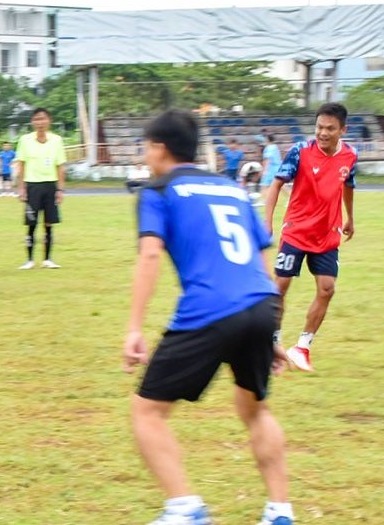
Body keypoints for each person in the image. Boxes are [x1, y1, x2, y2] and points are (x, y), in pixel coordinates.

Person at [125, 109, 293, 525]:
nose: (146, 156)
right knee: (255, 409)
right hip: (260, 304)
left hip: (210, 308)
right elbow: (261, 257)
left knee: (147, 412)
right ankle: (279, 511)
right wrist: (270, 330)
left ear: (160, 148)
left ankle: (185, 509)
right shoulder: (232, 189)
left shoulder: (158, 190)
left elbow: (149, 253)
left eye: (146, 147)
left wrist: (133, 327)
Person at [263, 102, 357, 372]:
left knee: (327, 289)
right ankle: (273, 343)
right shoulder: (301, 151)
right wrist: (267, 222)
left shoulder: (350, 155)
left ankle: (302, 347)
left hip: (327, 234)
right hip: (297, 230)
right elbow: (277, 183)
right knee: (280, 286)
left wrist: (349, 217)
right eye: (319, 127)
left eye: (330, 128)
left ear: (342, 130)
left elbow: (348, 185)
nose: (323, 133)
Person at [15, 107, 66, 270]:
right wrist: (21, 188)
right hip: (32, 186)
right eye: (37, 119)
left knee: (49, 223)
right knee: (31, 223)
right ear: (32, 122)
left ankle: (47, 259)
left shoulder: (57, 140)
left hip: (50, 185)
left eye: (43, 119)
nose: (40, 122)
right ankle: (29, 259)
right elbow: (21, 164)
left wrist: (60, 190)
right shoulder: (25, 140)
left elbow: (60, 166)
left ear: (49, 120)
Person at [260, 134, 282, 200]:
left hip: (271, 169)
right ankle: (290, 197)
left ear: (267, 140)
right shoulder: (275, 147)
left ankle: (263, 200)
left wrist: (264, 170)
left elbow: (267, 159)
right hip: (278, 167)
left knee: (264, 185)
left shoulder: (269, 148)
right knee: (281, 185)